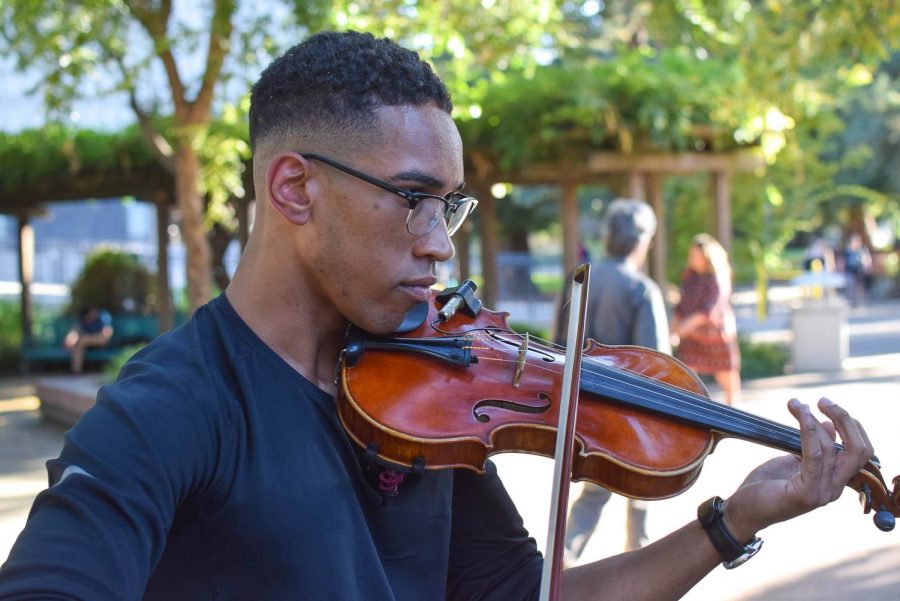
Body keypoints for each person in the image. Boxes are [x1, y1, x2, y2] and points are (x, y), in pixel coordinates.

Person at [0, 31, 876, 600]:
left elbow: (526, 595)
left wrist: (737, 518)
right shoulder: (170, 408)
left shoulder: (428, 392)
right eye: (414, 200)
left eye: (448, 207)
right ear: (295, 188)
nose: (440, 246)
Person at [554, 199, 670, 559]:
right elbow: (656, 366)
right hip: (629, 410)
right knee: (642, 488)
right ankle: (640, 565)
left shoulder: (580, 278)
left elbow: (557, 347)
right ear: (642, 241)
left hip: (584, 405)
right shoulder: (641, 289)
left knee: (592, 490)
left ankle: (562, 562)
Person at [671, 234, 741, 406]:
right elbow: (682, 304)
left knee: (728, 380)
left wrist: (685, 327)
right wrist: (675, 328)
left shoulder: (717, 278)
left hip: (716, 336)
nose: (692, 259)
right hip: (691, 338)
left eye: (696, 255)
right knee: (685, 380)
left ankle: (734, 417)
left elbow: (709, 310)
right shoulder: (690, 277)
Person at [62, 306, 114, 374]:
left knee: (82, 340)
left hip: (100, 341)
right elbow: (73, 332)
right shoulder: (82, 322)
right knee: (79, 342)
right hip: (85, 345)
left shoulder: (101, 320)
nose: (93, 314)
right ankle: (76, 371)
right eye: (91, 312)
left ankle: (76, 370)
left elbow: (107, 333)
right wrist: (69, 341)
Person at [842, 232, 872, 307]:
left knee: (859, 286)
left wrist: (867, 266)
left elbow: (867, 260)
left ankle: (859, 301)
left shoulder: (863, 250)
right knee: (850, 285)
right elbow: (842, 261)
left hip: (860, 271)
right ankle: (851, 302)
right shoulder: (847, 251)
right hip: (849, 271)